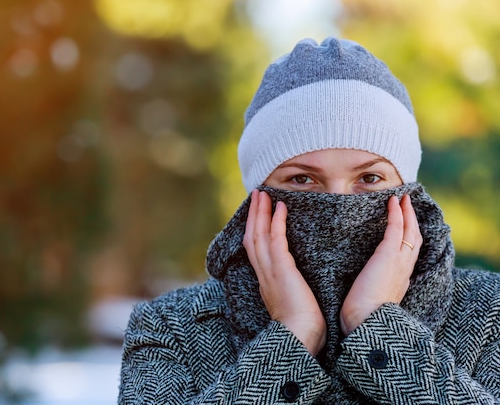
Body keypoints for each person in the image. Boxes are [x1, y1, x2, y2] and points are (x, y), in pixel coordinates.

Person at [118, 38, 500, 404]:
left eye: (369, 179)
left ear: (407, 192)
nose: (337, 204)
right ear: (257, 197)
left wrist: (378, 329)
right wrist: (292, 336)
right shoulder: (171, 326)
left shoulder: (488, 312)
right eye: (302, 180)